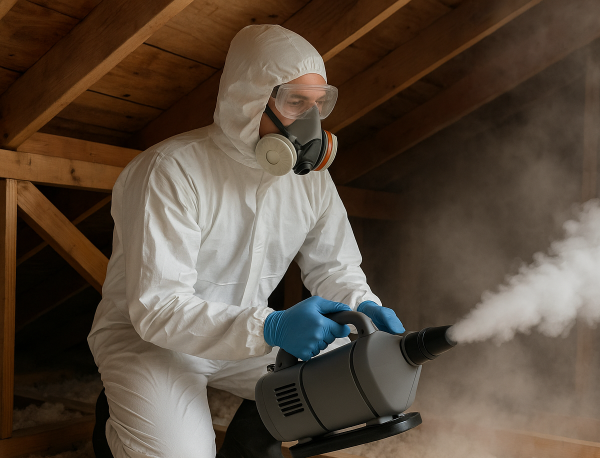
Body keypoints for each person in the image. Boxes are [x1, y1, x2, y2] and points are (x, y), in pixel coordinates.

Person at [87, 25, 405, 458]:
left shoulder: (310, 180)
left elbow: (334, 267)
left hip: (247, 337)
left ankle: (251, 449)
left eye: (318, 104)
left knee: (350, 375)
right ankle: (121, 419)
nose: (310, 121)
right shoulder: (169, 170)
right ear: (249, 98)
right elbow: (158, 308)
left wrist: (363, 306)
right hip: (153, 343)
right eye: (295, 101)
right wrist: (271, 326)